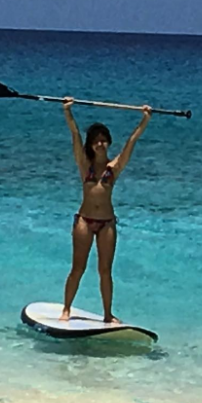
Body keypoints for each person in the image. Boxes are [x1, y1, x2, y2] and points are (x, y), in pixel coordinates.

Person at [59, 97, 152, 323]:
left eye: (104, 141)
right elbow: (74, 135)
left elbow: (132, 142)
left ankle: (107, 314)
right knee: (77, 268)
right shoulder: (85, 166)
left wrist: (145, 119)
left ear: (108, 143)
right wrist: (68, 112)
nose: (100, 144)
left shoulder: (114, 168)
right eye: (96, 141)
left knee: (105, 271)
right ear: (91, 145)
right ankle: (66, 309)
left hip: (107, 223)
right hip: (84, 220)